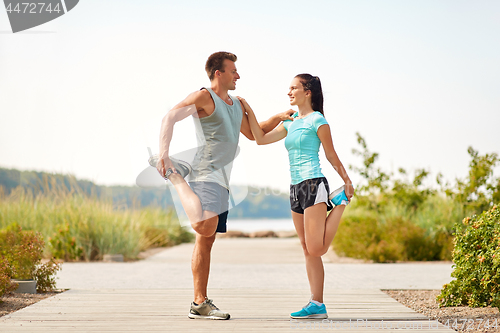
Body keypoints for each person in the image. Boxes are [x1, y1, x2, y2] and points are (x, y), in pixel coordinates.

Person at [154, 51, 294, 320]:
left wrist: (278, 117)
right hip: (204, 173)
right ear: (218, 73)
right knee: (203, 225)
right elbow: (169, 118)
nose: (238, 75)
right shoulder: (204, 97)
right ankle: (176, 177)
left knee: (205, 242)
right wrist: (164, 154)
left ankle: (199, 303)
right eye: (233, 71)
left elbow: (254, 133)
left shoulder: (236, 104)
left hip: (223, 181)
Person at [238, 73, 354, 319]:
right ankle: (316, 304)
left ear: (307, 91)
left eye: (293, 88)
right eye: (288, 88)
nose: (289, 92)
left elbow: (331, 155)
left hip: (313, 183)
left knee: (317, 248)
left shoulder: (318, 120)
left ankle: (340, 203)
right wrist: (246, 108)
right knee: (305, 248)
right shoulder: (290, 122)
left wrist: (346, 180)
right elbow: (259, 138)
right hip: (295, 188)